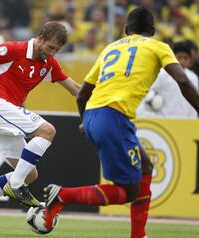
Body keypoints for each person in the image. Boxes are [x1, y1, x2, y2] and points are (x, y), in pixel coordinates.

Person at [43, 7, 199, 238]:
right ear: (153, 31)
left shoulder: (110, 48)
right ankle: (63, 195)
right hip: (113, 118)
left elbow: (82, 94)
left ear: (126, 30)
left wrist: (86, 120)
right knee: (128, 192)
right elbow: (183, 81)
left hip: (96, 115)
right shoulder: (158, 46)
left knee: (145, 166)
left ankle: (139, 235)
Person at [0, 21, 80, 233]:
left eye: (57, 50)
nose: (51, 53)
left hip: (3, 119)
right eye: (50, 47)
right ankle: (15, 187)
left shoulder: (49, 64)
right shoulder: (15, 49)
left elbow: (75, 89)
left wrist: (101, 98)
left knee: (29, 174)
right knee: (48, 130)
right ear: (40, 38)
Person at [137, 41, 199, 118]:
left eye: (185, 58)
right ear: (172, 57)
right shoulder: (161, 74)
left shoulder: (193, 77)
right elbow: (144, 94)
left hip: (185, 123)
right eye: (179, 57)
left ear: (190, 60)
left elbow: (194, 104)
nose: (182, 61)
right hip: (164, 123)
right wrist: (147, 116)